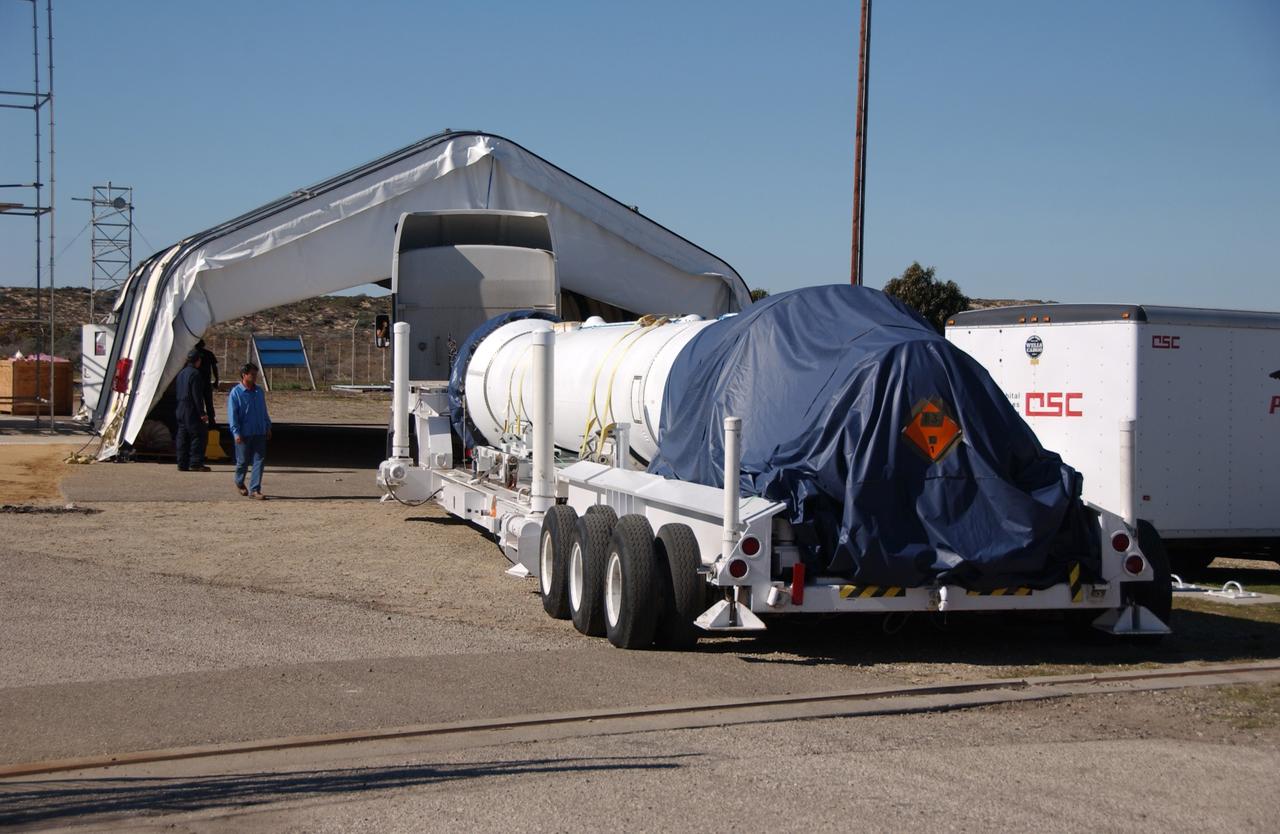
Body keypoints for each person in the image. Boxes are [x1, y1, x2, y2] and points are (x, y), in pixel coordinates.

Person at [228, 362, 272, 499]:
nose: (254, 377)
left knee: (259, 460)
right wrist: (236, 433)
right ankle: (239, 481)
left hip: (259, 432)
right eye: (252, 374)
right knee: (243, 462)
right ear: (244, 375)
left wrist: (267, 426)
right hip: (244, 433)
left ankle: (255, 489)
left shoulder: (258, 391)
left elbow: (263, 411)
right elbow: (233, 415)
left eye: (255, 374)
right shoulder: (236, 393)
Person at [175, 350, 209, 472]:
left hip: (180, 407)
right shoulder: (195, 374)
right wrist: (202, 413)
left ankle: (182, 463)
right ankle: (195, 463)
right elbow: (197, 395)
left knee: (182, 436)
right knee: (198, 435)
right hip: (191, 408)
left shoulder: (181, 373)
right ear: (197, 361)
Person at [195, 339, 220, 427]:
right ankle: (211, 422)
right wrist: (217, 380)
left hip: (198, 383)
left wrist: (217, 380)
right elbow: (214, 368)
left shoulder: (194, 354)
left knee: (198, 402)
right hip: (205, 382)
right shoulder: (208, 354)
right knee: (208, 402)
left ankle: (201, 421)